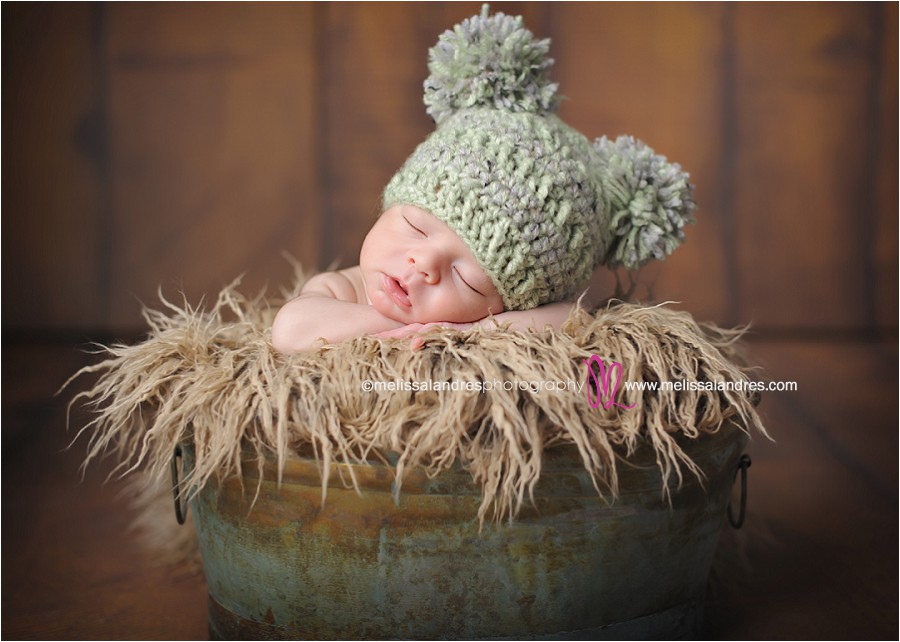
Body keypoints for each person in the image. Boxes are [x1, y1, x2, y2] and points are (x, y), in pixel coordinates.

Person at [272, 6, 695, 354]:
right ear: (391, 203)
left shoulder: (477, 325)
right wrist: (417, 330)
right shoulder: (346, 287)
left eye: (468, 280)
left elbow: (572, 317)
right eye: (416, 226)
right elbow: (292, 328)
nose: (425, 264)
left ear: (502, 307)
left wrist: (464, 334)